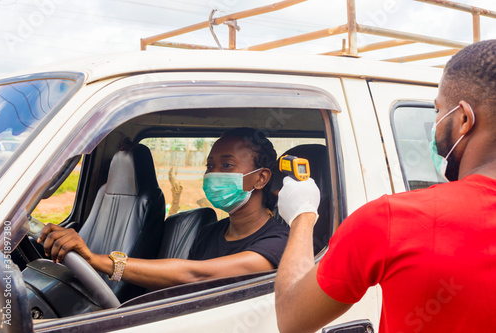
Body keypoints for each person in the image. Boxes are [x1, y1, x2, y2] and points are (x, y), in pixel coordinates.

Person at [274, 39, 496, 333]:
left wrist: (302, 214)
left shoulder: (391, 220)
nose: (435, 124)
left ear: (464, 118)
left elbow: (292, 317)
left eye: (438, 111)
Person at [38, 127, 289, 290]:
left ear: (261, 178)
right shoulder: (210, 232)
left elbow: (195, 275)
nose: (213, 174)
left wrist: (98, 260)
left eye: (227, 166)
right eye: (210, 166)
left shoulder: (277, 242)